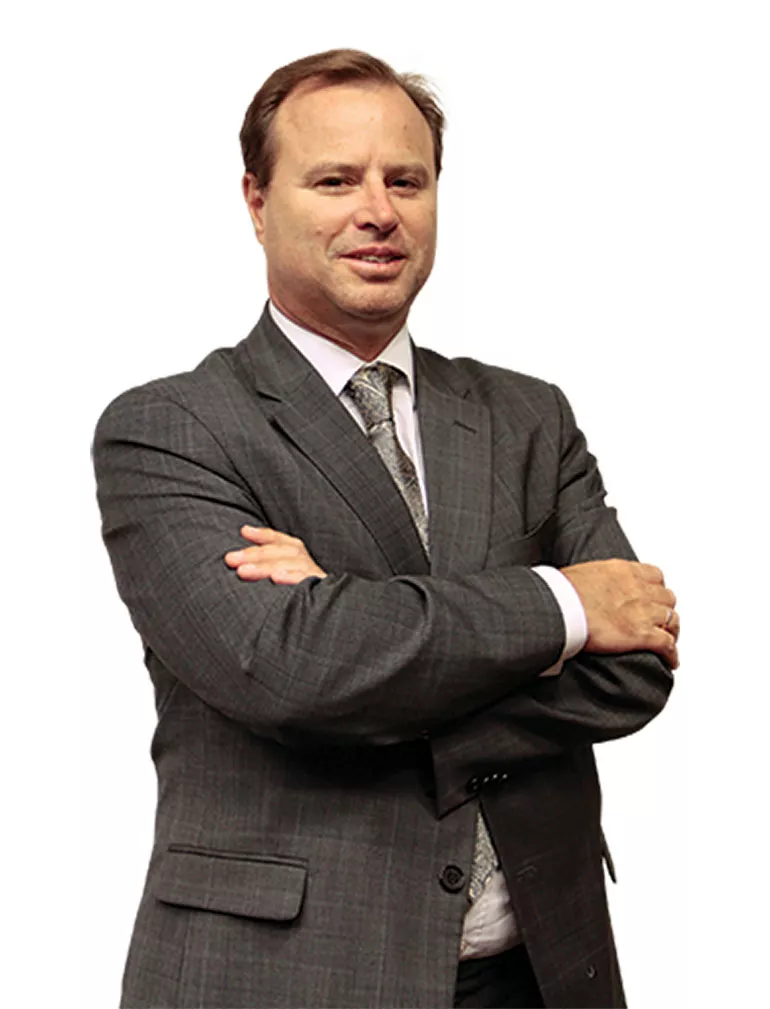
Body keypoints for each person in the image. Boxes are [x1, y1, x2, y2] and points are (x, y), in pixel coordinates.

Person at [93, 48, 680, 1009]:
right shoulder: (171, 428)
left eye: (405, 180)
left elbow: (637, 665)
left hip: (538, 971)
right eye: (335, 181)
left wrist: (353, 623)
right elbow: (288, 671)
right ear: (256, 201)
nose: (378, 211)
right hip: (288, 978)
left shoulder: (528, 417)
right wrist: (563, 606)